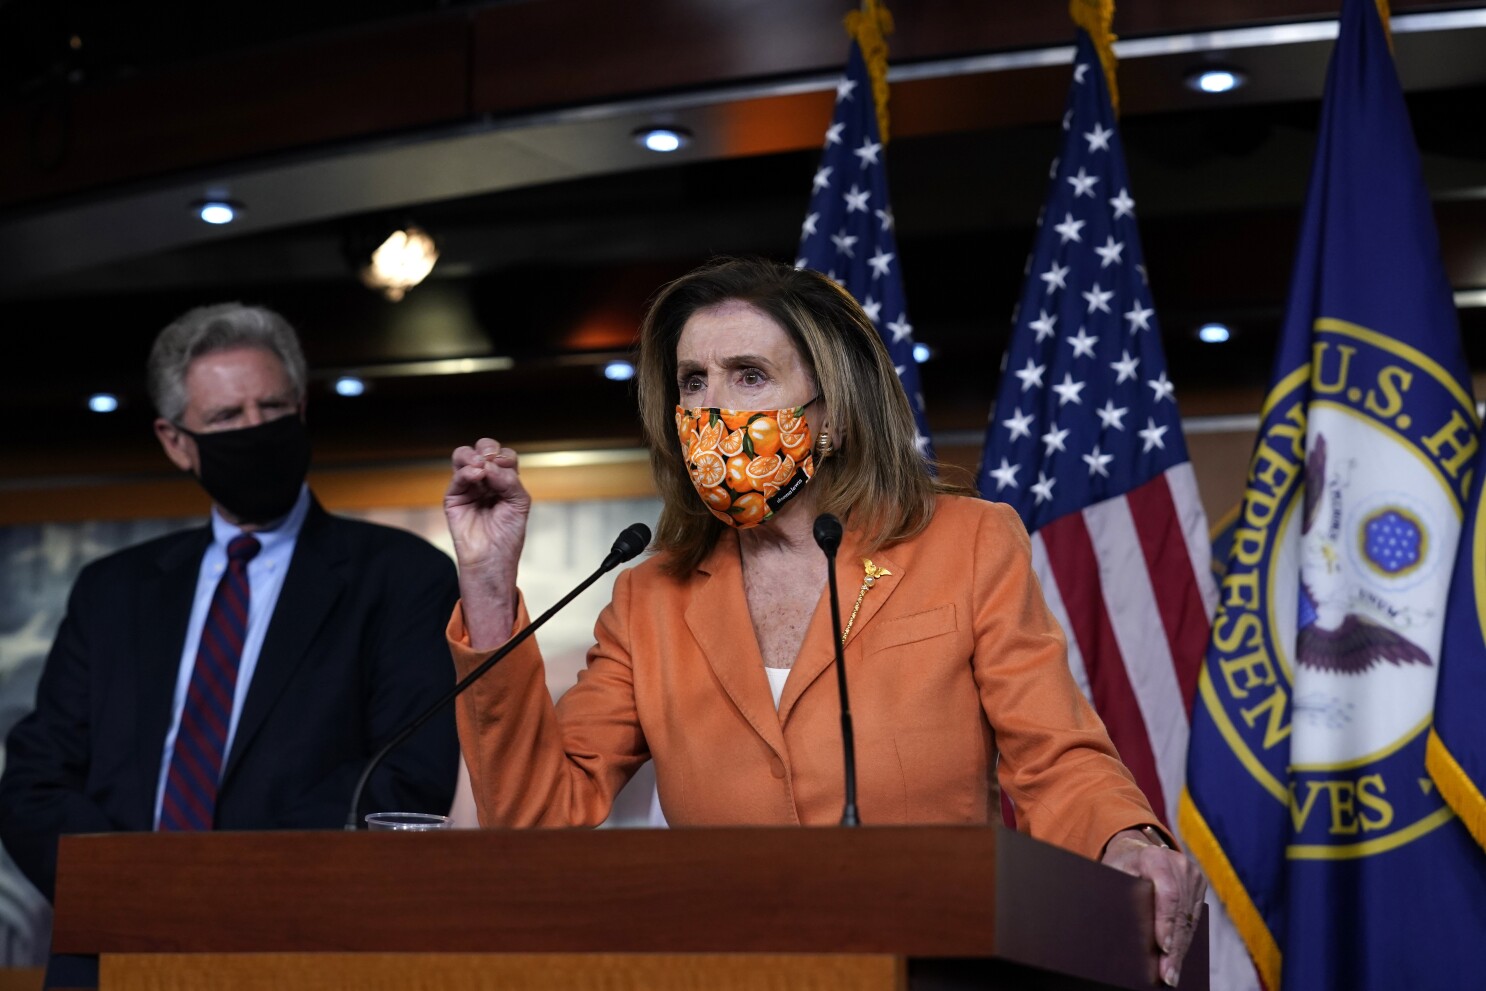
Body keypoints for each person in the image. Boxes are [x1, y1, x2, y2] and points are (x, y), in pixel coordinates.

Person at [443, 258, 1206, 986]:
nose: (713, 406)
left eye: (748, 375)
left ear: (832, 414)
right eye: (692, 381)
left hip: (928, 958)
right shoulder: (650, 597)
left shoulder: (966, 543)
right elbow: (538, 811)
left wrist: (1124, 838)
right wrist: (486, 582)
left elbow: (1054, 755)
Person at [0, 304, 461, 979]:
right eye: (225, 417)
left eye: (271, 408)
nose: (255, 430)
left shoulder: (401, 576)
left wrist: (227, 888)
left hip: (301, 951)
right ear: (176, 440)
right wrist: (141, 895)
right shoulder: (112, 591)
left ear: (301, 410)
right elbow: (36, 782)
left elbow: (406, 774)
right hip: (113, 951)